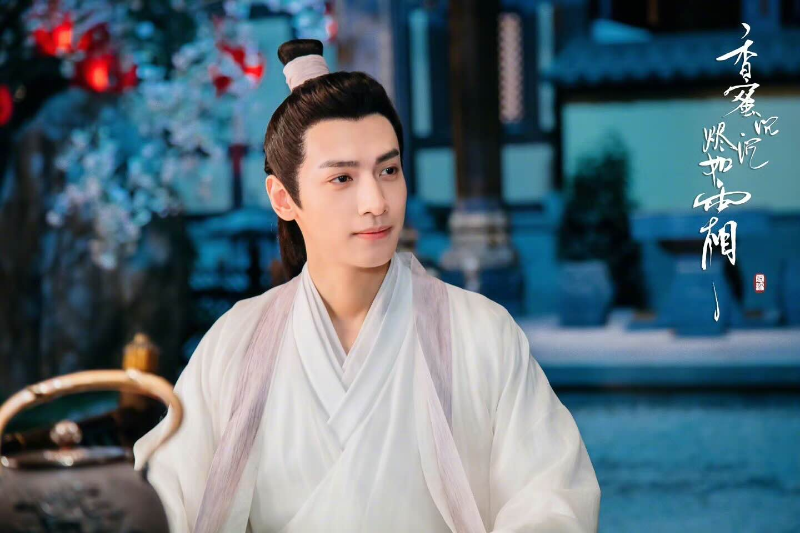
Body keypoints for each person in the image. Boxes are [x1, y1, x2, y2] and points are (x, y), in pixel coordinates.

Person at [133, 38, 601, 533]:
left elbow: (549, 497)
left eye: (389, 170)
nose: (376, 201)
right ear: (283, 198)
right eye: (342, 178)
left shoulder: (481, 333)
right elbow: (168, 499)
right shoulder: (237, 342)